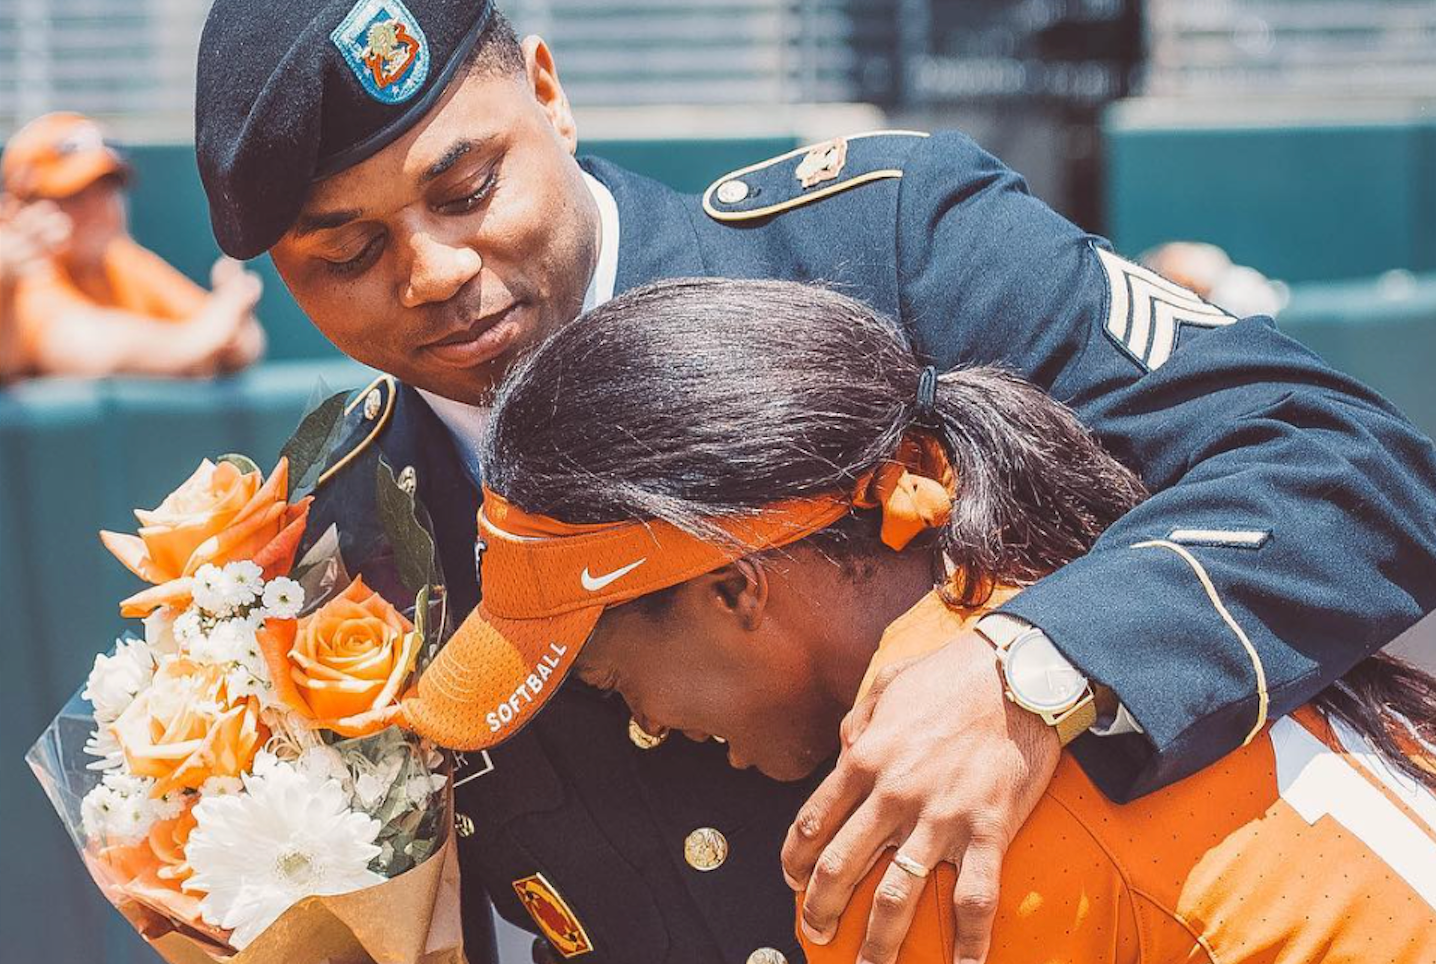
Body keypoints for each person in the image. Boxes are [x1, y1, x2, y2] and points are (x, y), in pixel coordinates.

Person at [191, 2, 1436, 962]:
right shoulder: (343, 527)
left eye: (466, 188)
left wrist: (1035, 669)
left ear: (551, 97)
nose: (433, 270)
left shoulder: (881, 241)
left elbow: (1342, 461)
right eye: (346, 250)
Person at [402, 275, 1436, 963]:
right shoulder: (1087, 577)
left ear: (732, 590)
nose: (650, 728)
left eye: (617, 683)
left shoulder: (919, 833)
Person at [0, 112, 266, 378]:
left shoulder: (120, 258)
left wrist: (230, 329)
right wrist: (207, 334)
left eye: (106, 189)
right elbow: (83, 349)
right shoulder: (19, 267)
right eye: (73, 196)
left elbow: (244, 336)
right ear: (17, 210)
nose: (98, 210)